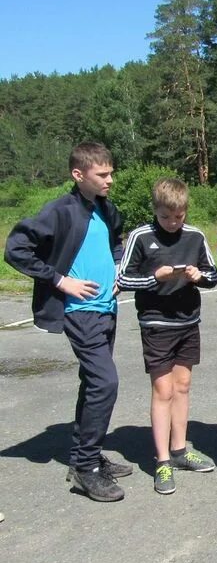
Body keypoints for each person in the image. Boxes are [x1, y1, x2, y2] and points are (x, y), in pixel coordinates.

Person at [4, 142, 133, 502]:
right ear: (79, 175)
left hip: (107, 308)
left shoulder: (106, 209)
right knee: (105, 383)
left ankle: (83, 457)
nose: (111, 179)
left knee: (92, 383)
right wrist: (61, 281)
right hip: (81, 312)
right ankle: (86, 470)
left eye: (111, 172)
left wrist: (119, 267)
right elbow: (16, 249)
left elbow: (116, 242)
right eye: (102, 174)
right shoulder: (60, 211)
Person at [116, 178, 217, 494]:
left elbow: (214, 276)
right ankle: (162, 462)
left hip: (188, 322)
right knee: (163, 390)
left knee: (183, 386)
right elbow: (122, 278)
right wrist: (153, 277)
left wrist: (198, 276)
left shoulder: (196, 235)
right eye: (166, 217)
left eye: (179, 217)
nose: (173, 224)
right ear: (156, 210)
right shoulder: (140, 236)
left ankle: (179, 451)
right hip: (156, 324)